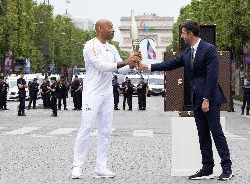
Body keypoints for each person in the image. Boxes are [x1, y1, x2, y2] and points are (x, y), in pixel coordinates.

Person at [139, 21, 233, 181]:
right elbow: (169, 64)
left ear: (190, 33)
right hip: (196, 98)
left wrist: (206, 99)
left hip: (209, 98)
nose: (181, 36)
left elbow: (212, 76)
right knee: (202, 134)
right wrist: (147, 66)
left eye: (183, 33)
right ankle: (207, 168)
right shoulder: (187, 52)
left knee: (216, 133)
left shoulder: (209, 49)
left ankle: (227, 168)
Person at [71, 19, 140, 179]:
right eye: (110, 28)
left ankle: (100, 167)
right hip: (92, 94)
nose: (113, 30)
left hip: (107, 94)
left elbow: (121, 70)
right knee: (86, 128)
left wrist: (132, 63)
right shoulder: (90, 45)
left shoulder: (112, 48)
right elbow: (101, 66)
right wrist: (125, 61)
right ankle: (77, 166)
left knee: (105, 131)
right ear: (100, 29)